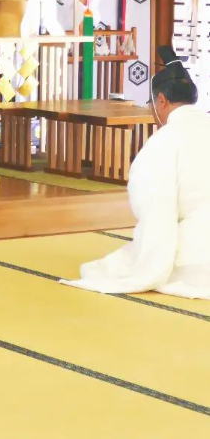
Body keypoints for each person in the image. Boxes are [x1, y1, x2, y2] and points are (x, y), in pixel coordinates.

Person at [61, 47, 210, 300]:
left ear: (161, 100)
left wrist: (149, 261)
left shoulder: (165, 141)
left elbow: (154, 211)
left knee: (112, 267)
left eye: (152, 104)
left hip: (199, 248)